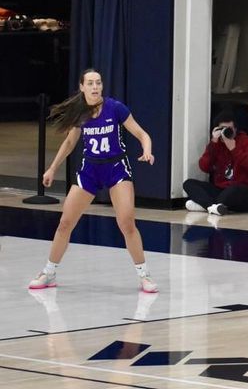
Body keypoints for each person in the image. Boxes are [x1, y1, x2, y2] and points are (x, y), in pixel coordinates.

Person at [27, 68, 159, 294]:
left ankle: (144, 275)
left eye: (98, 82)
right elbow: (69, 144)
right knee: (65, 223)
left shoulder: (115, 108)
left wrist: (147, 150)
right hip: (90, 169)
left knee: (127, 223)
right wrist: (51, 169)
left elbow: (142, 134)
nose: (95, 87)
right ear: (82, 87)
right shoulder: (80, 113)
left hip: (116, 167)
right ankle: (49, 272)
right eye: (90, 83)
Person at [182, 111, 248, 216]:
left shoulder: (246, 141)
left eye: (229, 129)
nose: (226, 132)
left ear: (236, 130)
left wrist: (234, 149)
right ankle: (213, 207)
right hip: (222, 189)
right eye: (222, 129)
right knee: (188, 183)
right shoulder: (216, 144)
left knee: (231, 191)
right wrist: (213, 142)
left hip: (246, 191)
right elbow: (204, 166)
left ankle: (205, 205)